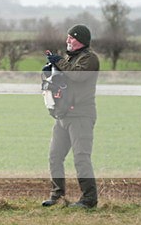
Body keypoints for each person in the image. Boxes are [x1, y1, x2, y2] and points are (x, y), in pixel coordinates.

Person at [42, 24, 100, 209]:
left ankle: (89, 200)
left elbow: (77, 76)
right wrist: (50, 71)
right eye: (67, 37)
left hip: (81, 115)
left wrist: (59, 62)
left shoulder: (90, 59)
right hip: (63, 115)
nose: (67, 40)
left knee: (81, 158)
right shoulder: (70, 58)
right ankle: (57, 196)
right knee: (54, 156)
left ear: (81, 41)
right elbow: (63, 82)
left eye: (71, 38)